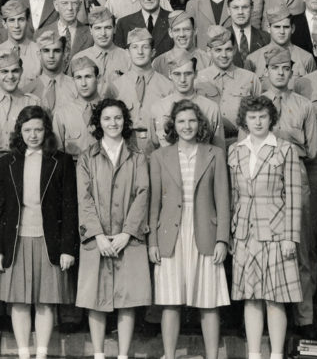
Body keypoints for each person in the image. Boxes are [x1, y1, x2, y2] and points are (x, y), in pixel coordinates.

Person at [0, 106, 79, 359]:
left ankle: (41, 353)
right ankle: (23, 353)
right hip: (16, 241)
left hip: (49, 241)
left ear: (46, 131)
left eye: (38, 129)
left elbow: (69, 207)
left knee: (45, 301)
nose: (33, 135)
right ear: (19, 132)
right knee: (18, 301)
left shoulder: (60, 161)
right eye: (27, 130)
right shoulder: (8, 162)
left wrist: (66, 248)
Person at [148, 100, 230, 359]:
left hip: (204, 233)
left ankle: (212, 356)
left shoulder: (214, 154)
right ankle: (169, 355)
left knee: (209, 301)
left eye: (192, 121)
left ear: (200, 124)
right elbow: (154, 204)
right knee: (170, 302)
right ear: (173, 125)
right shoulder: (159, 156)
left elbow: (223, 200)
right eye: (181, 121)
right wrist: (152, 242)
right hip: (170, 236)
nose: (187, 126)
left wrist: (222, 240)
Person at [75, 98, 152, 359]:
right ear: (98, 123)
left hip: (127, 238)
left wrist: (127, 232)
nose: (113, 123)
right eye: (106, 118)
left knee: (127, 299)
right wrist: (97, 235)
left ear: (125, 121)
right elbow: (83, 199)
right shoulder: (87, 157)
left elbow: (143, 193)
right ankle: (98, 353)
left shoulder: (138, 157)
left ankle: (123, 354)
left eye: (118, 118)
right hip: (97, 239)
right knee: (95, 297)